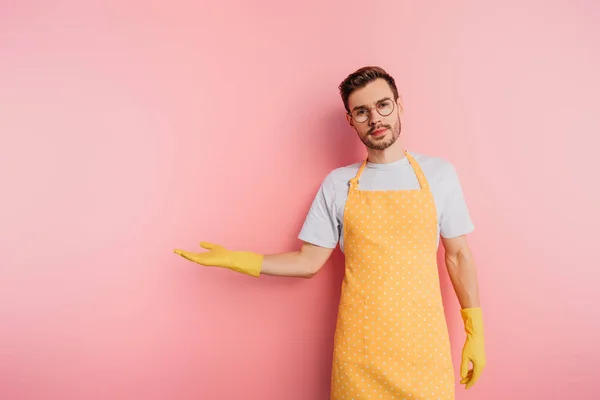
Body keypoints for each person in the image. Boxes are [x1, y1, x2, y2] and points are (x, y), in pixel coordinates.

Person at [174, 66, 486, 400]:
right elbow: (308, 261)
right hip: (360, 354)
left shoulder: (439, 175)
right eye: (362, 111)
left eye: (383, 105)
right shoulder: (338, 184)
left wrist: (475, 332)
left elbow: (458, 255)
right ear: (351, 120)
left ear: (399, 105)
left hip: (425, 351)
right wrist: (240, 260)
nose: (375, 119)